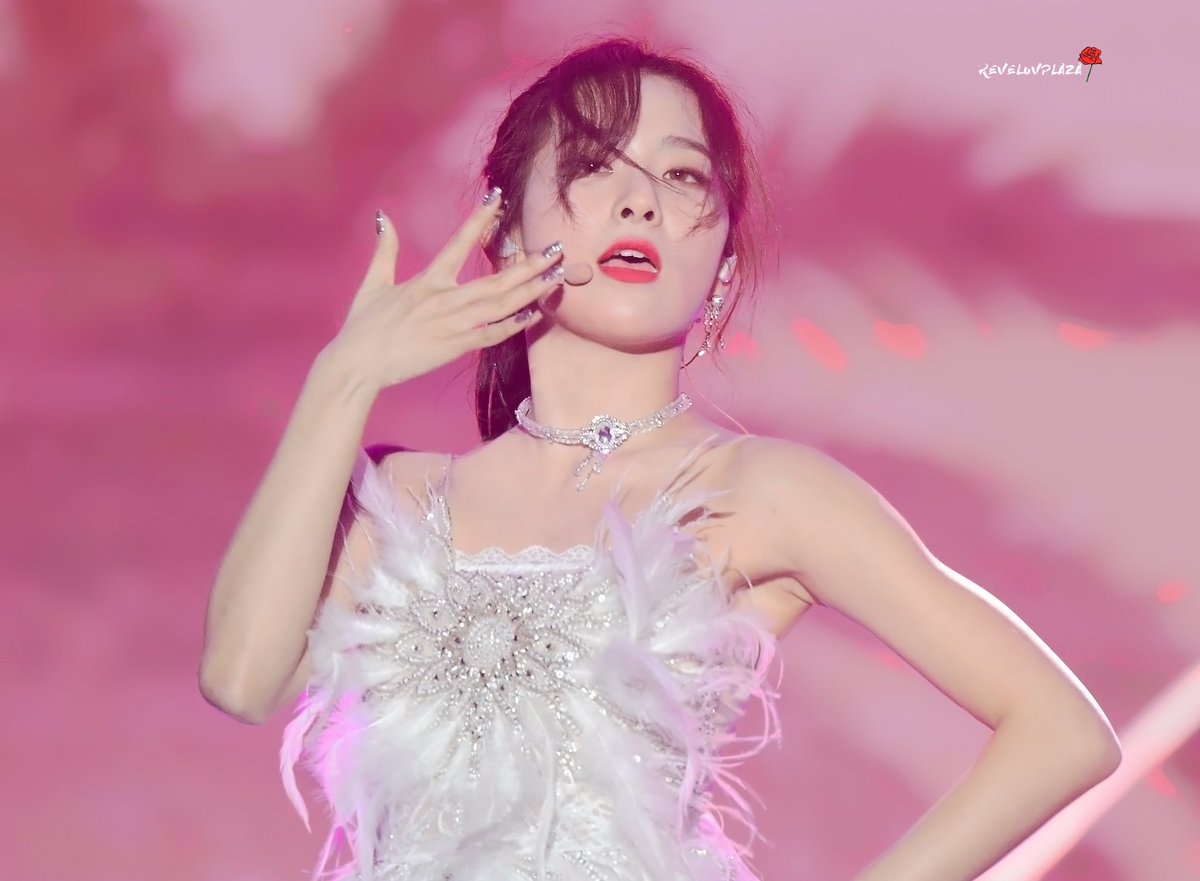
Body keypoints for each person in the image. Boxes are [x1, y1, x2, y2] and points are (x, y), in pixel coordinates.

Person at [200, 37, 1121, 881]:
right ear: (507, 233)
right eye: (594, 166)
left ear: (721, 267)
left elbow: (1063, 730)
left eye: (682, 177)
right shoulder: (396, 499)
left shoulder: (754, 493)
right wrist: (344, 375)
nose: (641, 201)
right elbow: (240, 679)